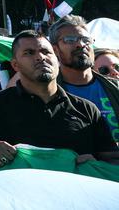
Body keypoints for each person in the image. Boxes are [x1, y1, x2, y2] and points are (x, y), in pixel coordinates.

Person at [0, 30, 119, 166]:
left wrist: (97, 163)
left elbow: (113, 159)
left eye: (45, 51)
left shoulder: (87, 109)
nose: (40, 57)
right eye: (29, 53)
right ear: (15, 65)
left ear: (57, 59)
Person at [50, 15, 119, 144]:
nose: (81, 45)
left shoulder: (115, 87)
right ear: (55, 49)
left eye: (86, 39)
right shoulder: (47, 93)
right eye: (70, 40)